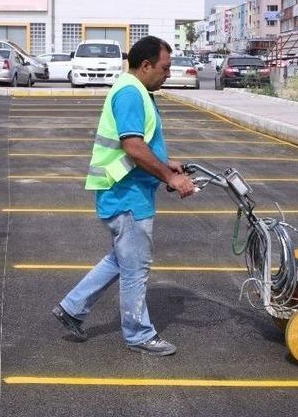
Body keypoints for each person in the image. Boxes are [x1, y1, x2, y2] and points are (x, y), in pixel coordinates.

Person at [52, 36, 196, 356]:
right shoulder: (131, 93)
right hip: (127, 196)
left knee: (120, 260)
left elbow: (139, 146)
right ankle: (138, 334)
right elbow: (132, 146)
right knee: (135, 268)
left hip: (125, 192)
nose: (169, 74)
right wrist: (172, 177)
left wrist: (166, 162)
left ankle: (72, 308)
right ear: (146, 66)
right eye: (165, 67)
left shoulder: (135, 90)